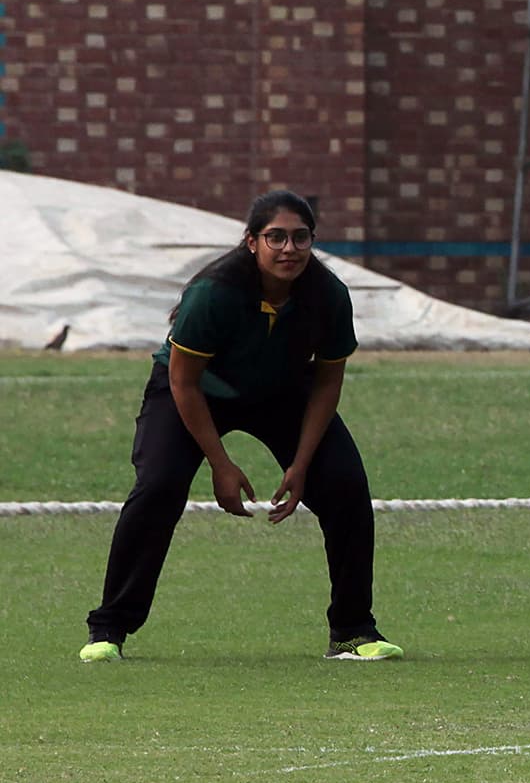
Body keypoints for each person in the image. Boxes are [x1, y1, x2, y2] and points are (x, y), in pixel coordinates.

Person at [80, 190, 404, 663]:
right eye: (276, 237)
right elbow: (183, 382)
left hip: (282, 393)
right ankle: (108, 630)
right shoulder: (214, 293)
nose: (288, 249)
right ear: (251, 242)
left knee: (345, 486)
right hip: (195, 394)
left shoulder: (328, 295)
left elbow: (327, 382)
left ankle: (353, 632)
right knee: (159, 486)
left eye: (300, 237)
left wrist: (302, 464)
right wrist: (220, 463)